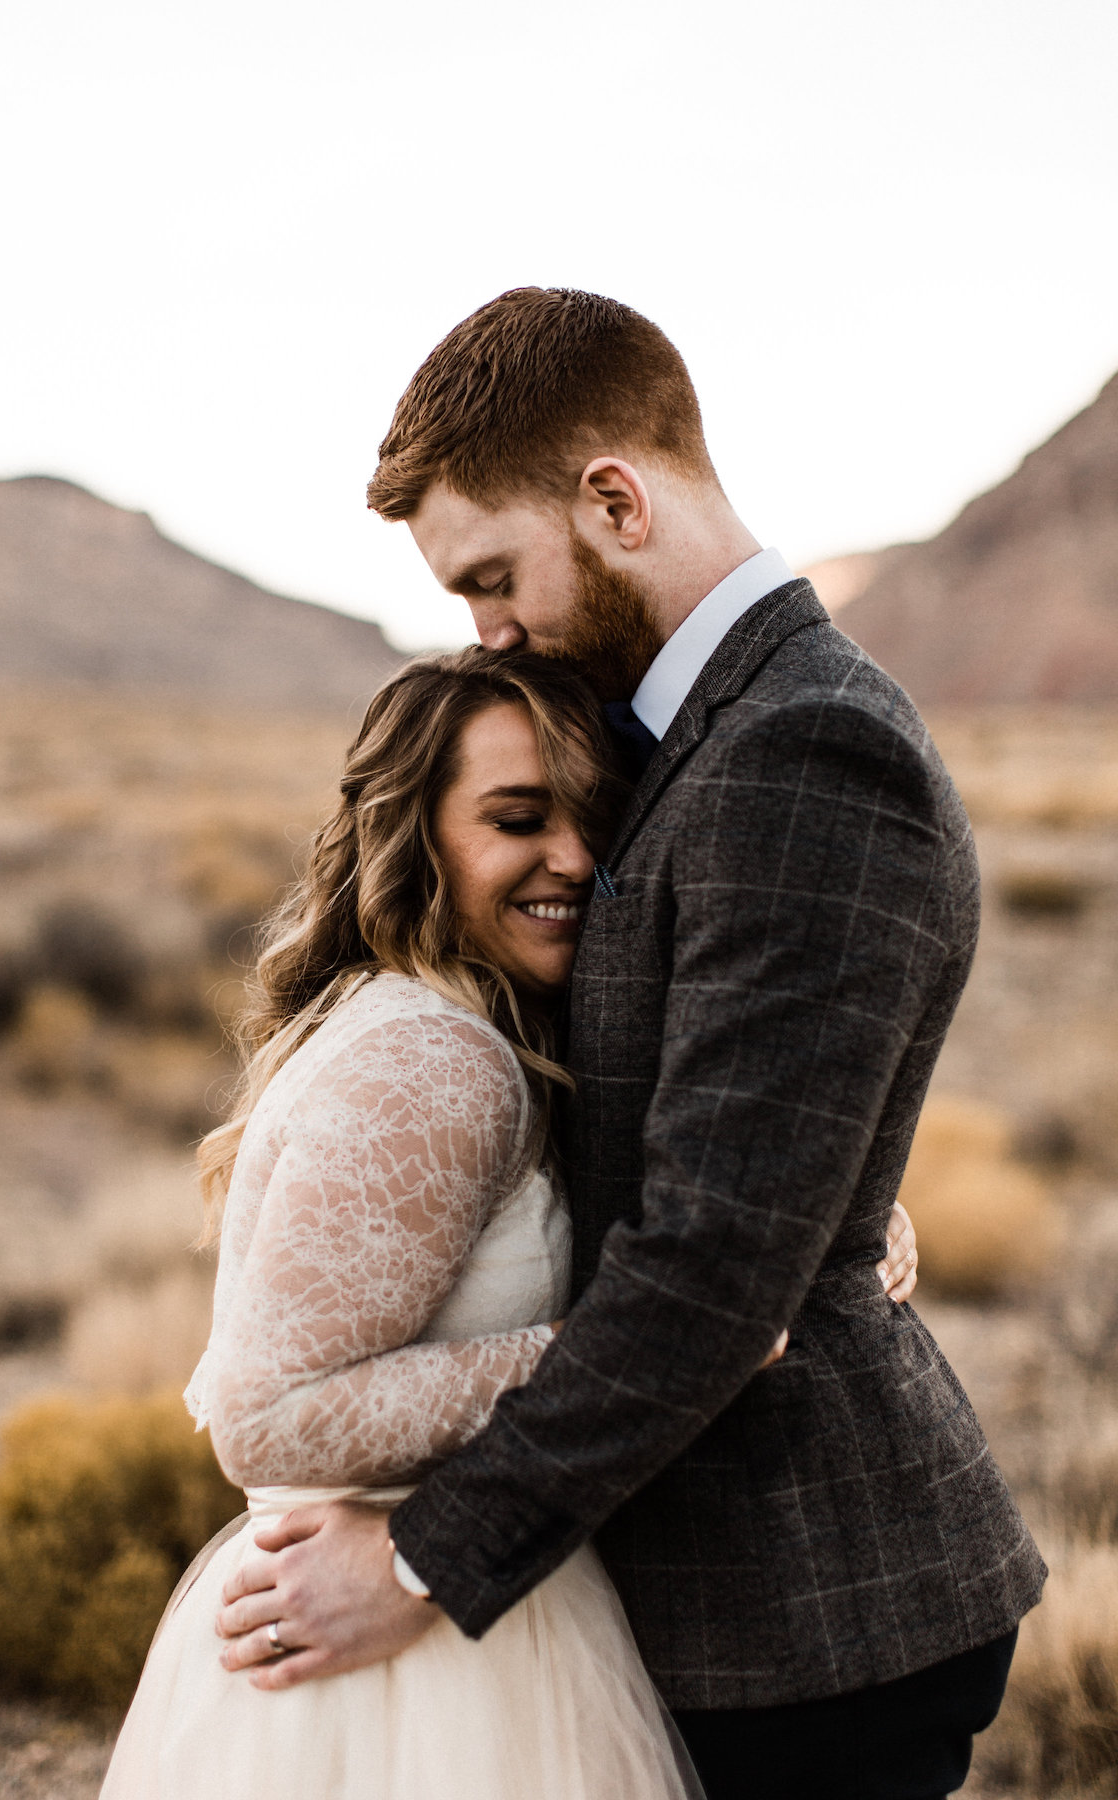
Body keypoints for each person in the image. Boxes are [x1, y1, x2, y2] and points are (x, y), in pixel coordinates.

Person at [217, 289, 1046, 1800]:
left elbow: (720, 1275)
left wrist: (415, 1557)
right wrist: (832, 1193)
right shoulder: (684, 735)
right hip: (683, 1588)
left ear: (613, 499)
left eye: (491, 575)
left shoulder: (804, 747)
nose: (485, 631)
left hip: (801, 1612)